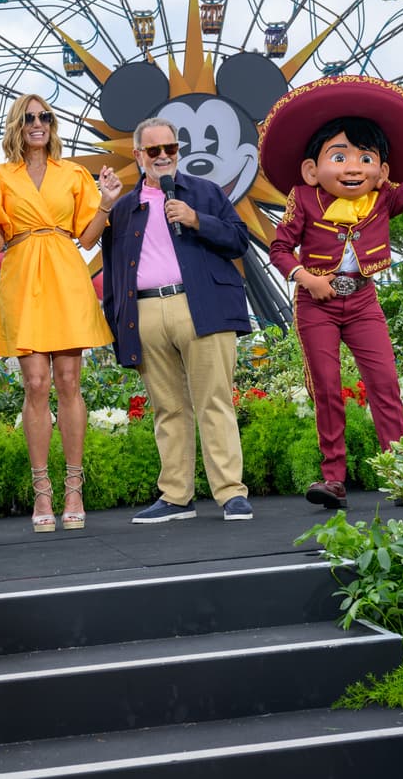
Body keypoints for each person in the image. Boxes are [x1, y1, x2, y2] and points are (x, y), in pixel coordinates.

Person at [260, 75, 403, 509]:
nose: (353, 167)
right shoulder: (304, 198)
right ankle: (333, 478)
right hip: (317, 304)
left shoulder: (384, 198)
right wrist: (308, 279)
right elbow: (279, 249)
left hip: (363, 301)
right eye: (339, 156)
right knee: (327, 388)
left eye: (365, 158)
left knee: (385, 382)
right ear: (312, 169)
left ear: (382, 171)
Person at [0, 94, 116, 532]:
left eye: (45, 117)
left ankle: (73, 488)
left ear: (52, 124)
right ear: (17, 125)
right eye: (30, 117)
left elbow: (87, 238)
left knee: (69, 381)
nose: (38, 123)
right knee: (35, 383)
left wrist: (107, 202)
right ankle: (42, 491)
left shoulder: (73, 173)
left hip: (65, 272)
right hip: (21, 272)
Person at [100, 117, 253, 522]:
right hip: (146, 311)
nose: (164, 156)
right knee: (167, 408)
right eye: (155, 150)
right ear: (139, 155)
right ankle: (175, 495)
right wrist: (117, 326)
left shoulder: (205, 193)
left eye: (171, 148)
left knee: (214, 400)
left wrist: (196, 219)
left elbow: (239, 241)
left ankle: (230, 492)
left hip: (202, 304)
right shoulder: (123, 209)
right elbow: (113, 273)